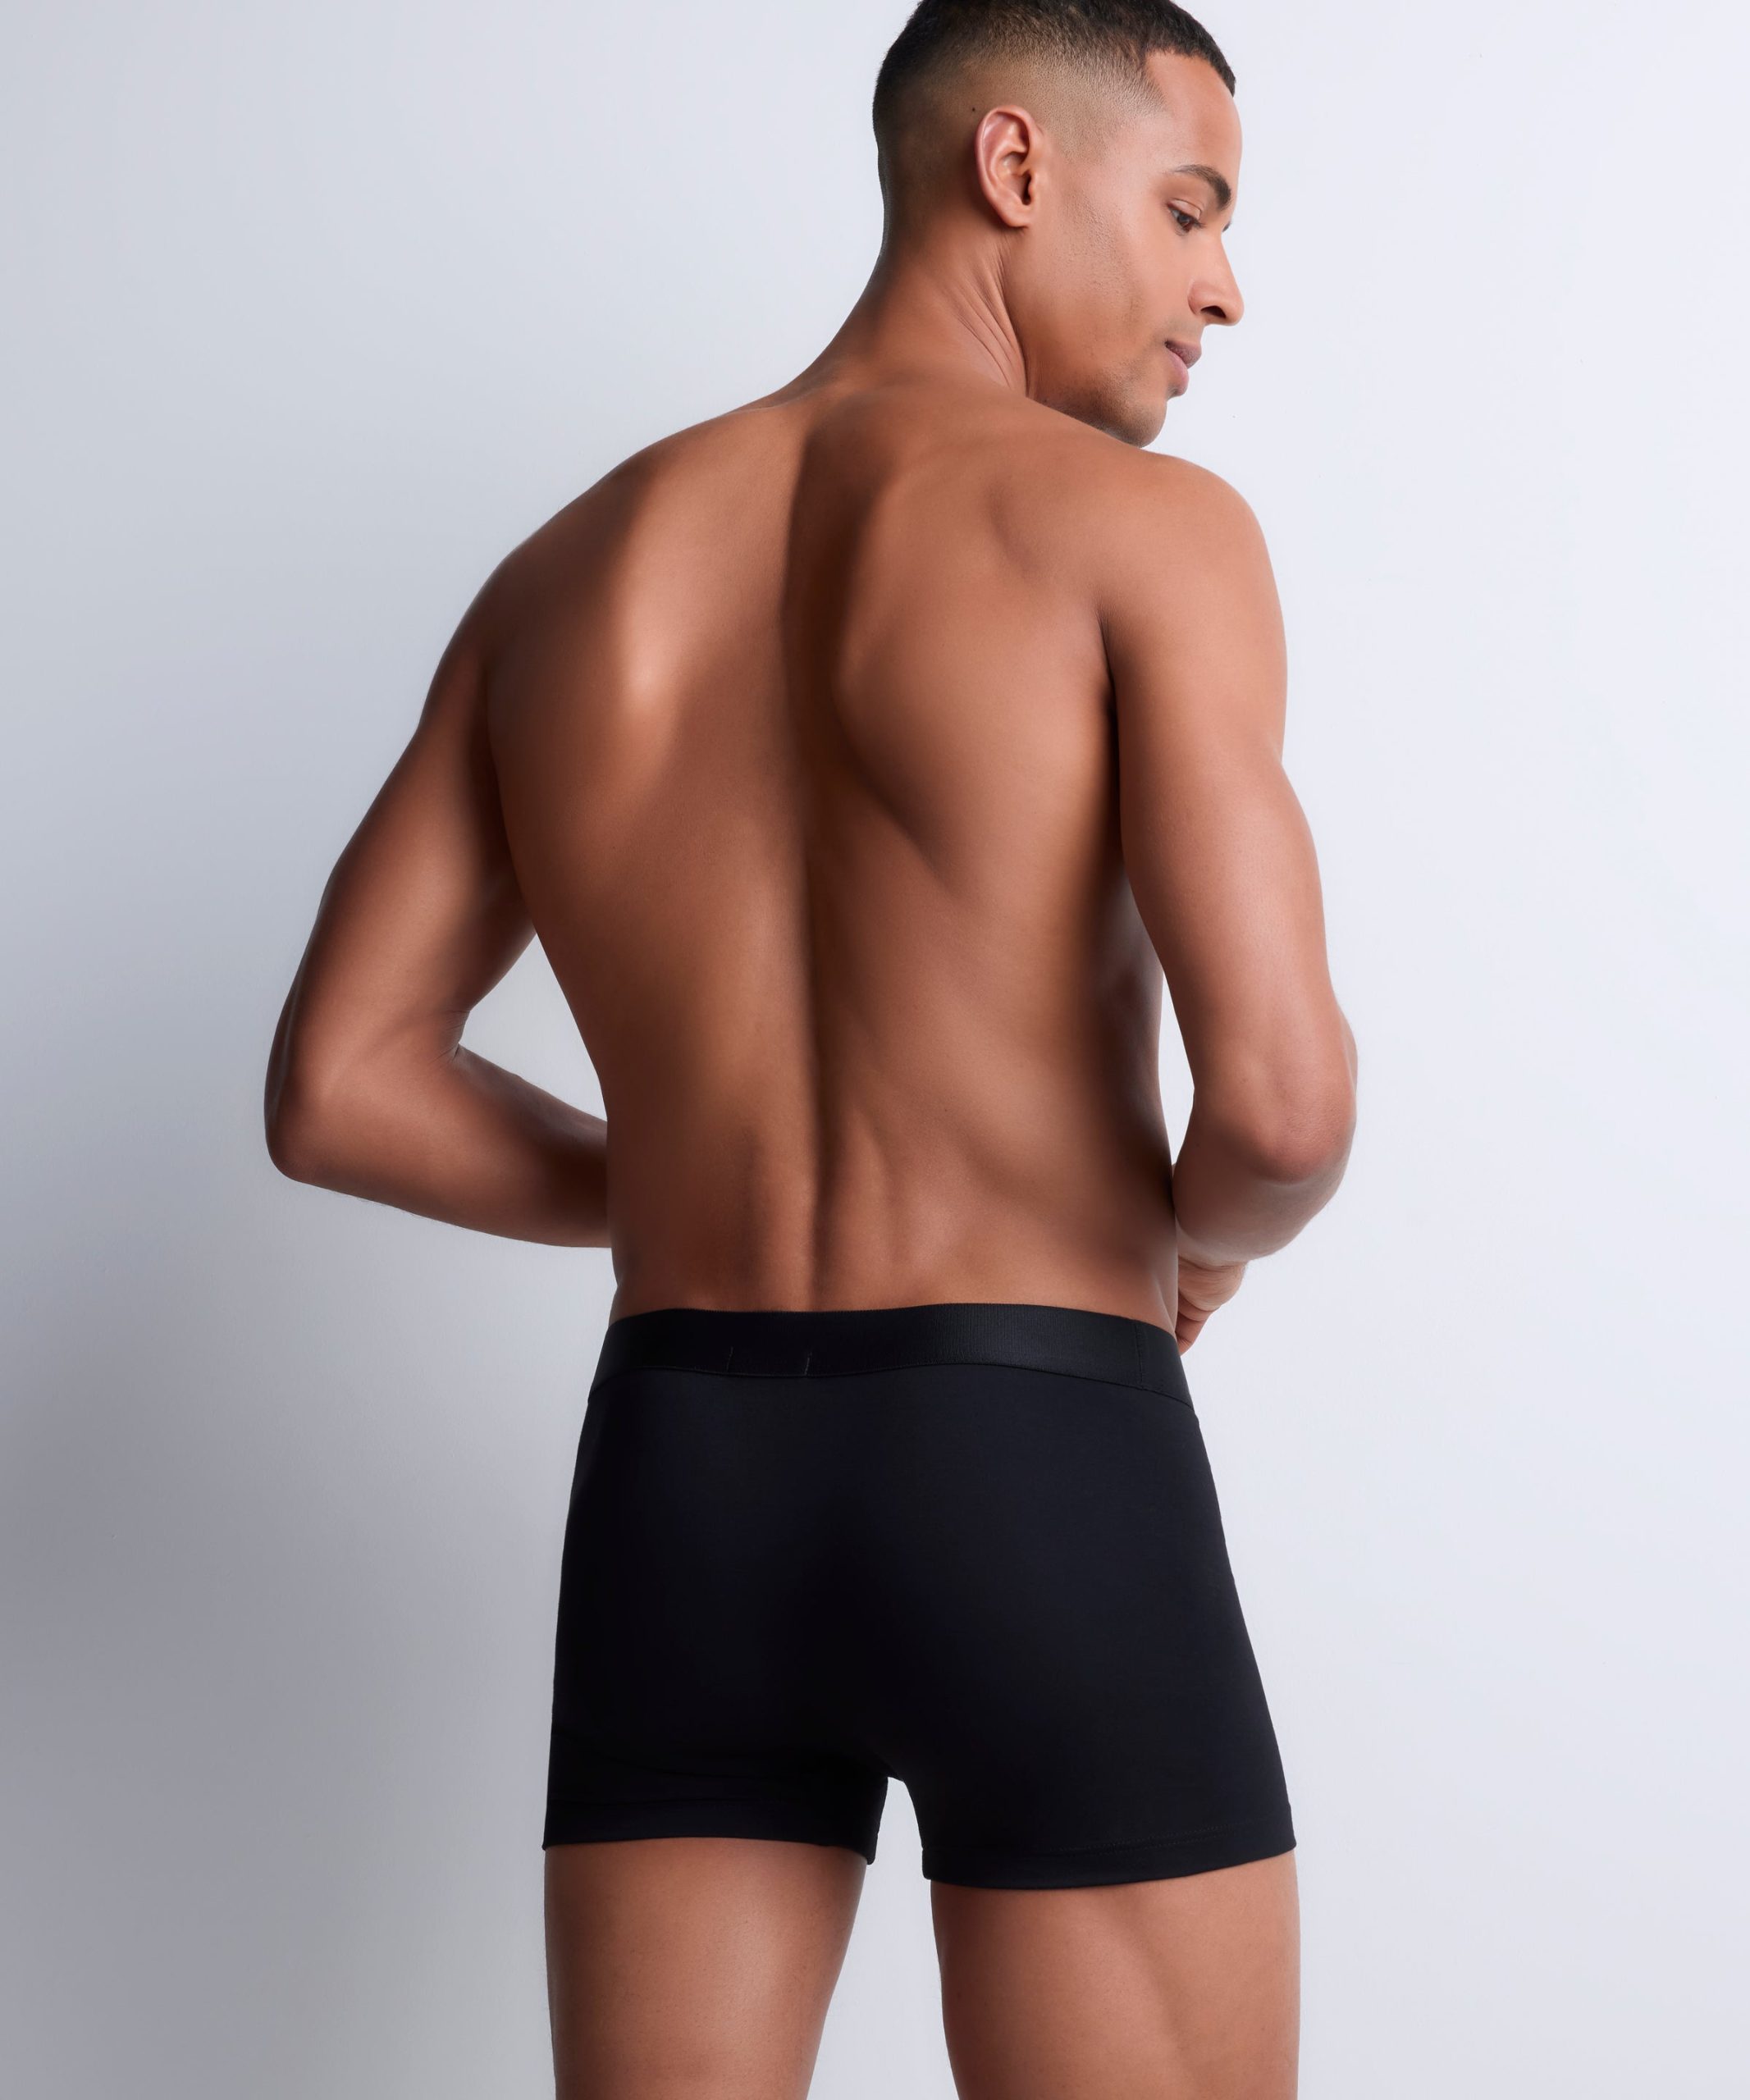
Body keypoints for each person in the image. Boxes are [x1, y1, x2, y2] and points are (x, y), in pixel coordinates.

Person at [264, 0, 1358, 2091]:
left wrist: (696, 1163)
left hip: (682, 1473)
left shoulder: (568, 570)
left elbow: (341, 1087)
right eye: (1190, 208)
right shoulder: (1143, 528)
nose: (1224, 285)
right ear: (1014, 167)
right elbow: (1283, 1109)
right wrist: (1199, 1243)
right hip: (1035, 1452)